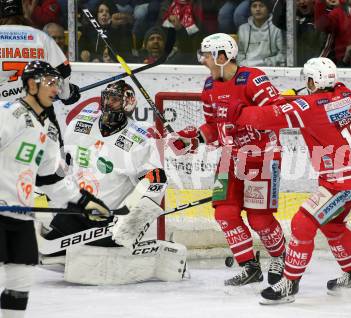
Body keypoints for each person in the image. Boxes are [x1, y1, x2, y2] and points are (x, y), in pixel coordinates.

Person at [234, 57, 351, 303]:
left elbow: (263, 118)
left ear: (312, 81)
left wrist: (239, 110)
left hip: (342, 182)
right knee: (333, 225)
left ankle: (289, 283)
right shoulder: (349, 97)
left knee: (303, 222)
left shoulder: (307, 106)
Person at [42, 80, 187, 284]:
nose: (108, 103)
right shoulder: (79, 125)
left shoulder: (140, 140)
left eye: (115, 99)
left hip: (108, 219)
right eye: (107, 98)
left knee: (93, 257)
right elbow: (63, 162)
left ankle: (143, 252)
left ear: (128, 104)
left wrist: (133, 221)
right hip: (77, 210)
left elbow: (157, 182)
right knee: (49, 252)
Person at [172, 33, 287, 286]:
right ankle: (250, 267)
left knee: (260, 219)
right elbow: (213, 127)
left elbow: (280, 115)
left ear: (222, 56)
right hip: (228, 159)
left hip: (261, 157)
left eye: (206, 55)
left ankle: (280, 256)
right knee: (225, 213)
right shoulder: (210, 86)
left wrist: (249, 115)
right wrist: (194, 138)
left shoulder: (253, 79)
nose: (202, 60)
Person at [0, 60, 110, 318]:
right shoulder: (8, 114)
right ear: (30, 84)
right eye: (49, 82)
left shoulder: (48, 129)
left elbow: (51, 180)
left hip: (21, 216)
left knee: (21, 282)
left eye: (57, 83)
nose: (55, 88)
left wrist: (84, 203)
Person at [0, 0, 80, 105]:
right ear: (23, 12)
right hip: (33, 109)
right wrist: (66, 93)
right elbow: (63, 69)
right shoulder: (40, 37)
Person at [237, 0, 285, 67]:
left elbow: (283, 54)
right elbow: (240, 53)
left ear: (268, 9)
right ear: (250, 9)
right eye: (254, 6)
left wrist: (266, 63)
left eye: (261, 6)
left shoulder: (276, 28)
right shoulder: (242, 29)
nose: (258, 9)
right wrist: (243, 64)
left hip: (270, 69)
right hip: (247, 69)